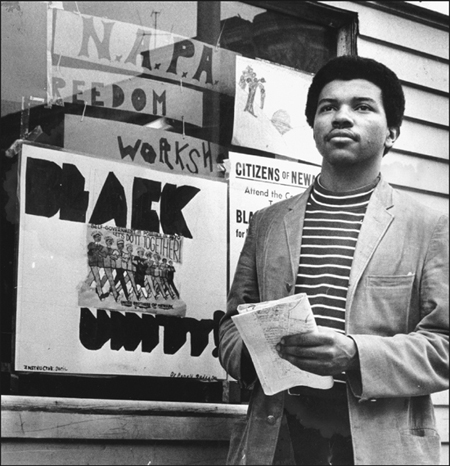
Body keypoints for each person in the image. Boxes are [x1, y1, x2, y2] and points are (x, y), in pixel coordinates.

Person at [218, 55, 448, 466]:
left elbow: (445, 345)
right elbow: (231, 326)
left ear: (392, 132)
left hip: (380, 446)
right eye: (328, 107)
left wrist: (356, 355)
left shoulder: (429, 226)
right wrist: (253, 354)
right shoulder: (267, 223)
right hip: (278, 440)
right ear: (313, 127)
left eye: (362, 106)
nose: (342, 117)